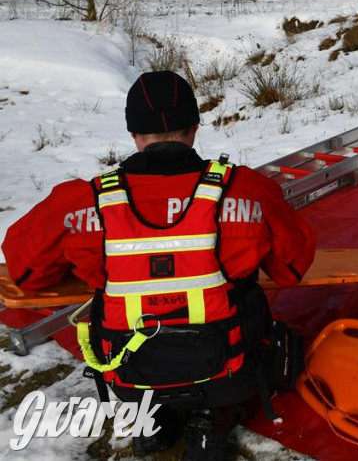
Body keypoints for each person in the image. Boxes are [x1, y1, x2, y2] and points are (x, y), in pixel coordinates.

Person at [2, 71, 317, 459]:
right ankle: (211, 421)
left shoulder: (81, 201)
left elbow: (27, 272)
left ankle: (154, 422)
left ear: (134, 134)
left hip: (130, 373)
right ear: (195, 129)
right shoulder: (249, 190)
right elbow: (292, 267)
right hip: (229, 372)